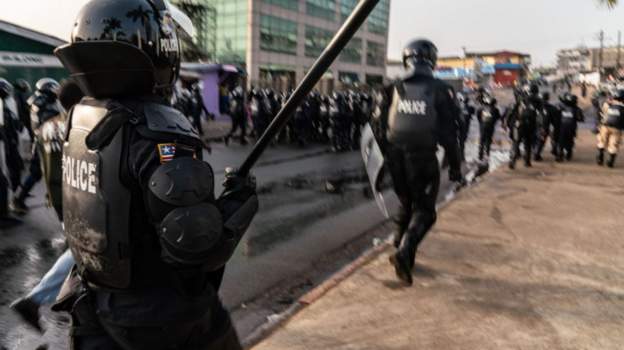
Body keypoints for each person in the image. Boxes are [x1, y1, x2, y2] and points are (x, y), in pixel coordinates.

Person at [52, 0, 258, 348]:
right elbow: (195, 246)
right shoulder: (159, 130)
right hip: (160, 319)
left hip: (92, 303)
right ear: (159, 49)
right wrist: (240, 202)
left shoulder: (81, 118)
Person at [372, 39, 464, 285]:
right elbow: (450, 134)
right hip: (422, 158)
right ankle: (404, 252)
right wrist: (456, 166)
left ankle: (400, 248)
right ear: (432, 60)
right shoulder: (441, 89)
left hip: (395, 158)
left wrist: (380, 167)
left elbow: (378, 130)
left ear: (406, 59)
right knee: (425, 212)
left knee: (406, 203)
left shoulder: (391, 87)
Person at [9, 79, 84, 332]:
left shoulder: (45, 127)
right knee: (84, 248)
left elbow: (38, 166)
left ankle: (62, 297)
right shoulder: (79, 126)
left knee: (79, 247)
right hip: (79, 197)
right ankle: (46, 298)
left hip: (58, 196)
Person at [12, 78, 61, 215]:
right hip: (45, 143)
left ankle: (19, 199)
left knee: (37, 173)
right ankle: (18, 200)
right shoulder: (41, 102)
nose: (56, 91)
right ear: (47, 88)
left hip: (43, 141)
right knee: (44, 173)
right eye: (53, 88)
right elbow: (49, 121)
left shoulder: (40, 100)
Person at [0, 78, 22, 227]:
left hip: (6, 145)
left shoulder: (3, 106)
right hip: (3, 146)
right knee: (2, 181)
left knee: (4, 180)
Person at [507, 83, 542, 169]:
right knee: (528, 143)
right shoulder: (539, 100)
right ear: (536, 91)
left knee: (516, 142)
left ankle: (512, 160)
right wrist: (540, 127)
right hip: (531, 124)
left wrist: (509, 124)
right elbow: (540, 115)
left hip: (519, 123)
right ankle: (527, 162)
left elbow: (512, 112)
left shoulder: (521, 98)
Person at [596, 88, 624, 167]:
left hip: (605, 125)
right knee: (614, 144)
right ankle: (610, 161)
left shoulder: (607, 104)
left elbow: (602, 113)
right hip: (617, 128)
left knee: (602, 141)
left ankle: (600, 157)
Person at [556, 92, 585, 162]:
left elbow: (557, 116)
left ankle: (561, 155)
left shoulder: (562, 107)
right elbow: (581, 119)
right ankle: (567, 155)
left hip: (563, 127)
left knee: (562, 142)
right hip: (571, 128)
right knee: (569, 141)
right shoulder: (576, 109)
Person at [476, 95, 502, 161]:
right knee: (488, 140)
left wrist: (481, 123)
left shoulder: (481, 108)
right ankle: (487, 154)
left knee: (482, 140)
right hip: (490, 127)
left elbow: (478, 116)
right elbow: (498, 117)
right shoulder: (495, 109)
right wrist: (493, 122)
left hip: (482, 126)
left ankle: (480, 155)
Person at [534, 92, 557, 161]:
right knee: (542, 141)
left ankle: (536, 154)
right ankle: (536, 155)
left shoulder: (536, 106)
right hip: (545, 126)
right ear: (548, 98)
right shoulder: (551, 107)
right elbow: (554, 119)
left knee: (538, 140)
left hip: (536, 125)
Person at [457, 92, 476, 161]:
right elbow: (473, 112)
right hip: (464, 128)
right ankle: (461, 156)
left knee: (460, 142)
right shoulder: (470, 108)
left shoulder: (459, 108)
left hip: (459, 127)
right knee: (462, 142)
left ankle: (460, 156)